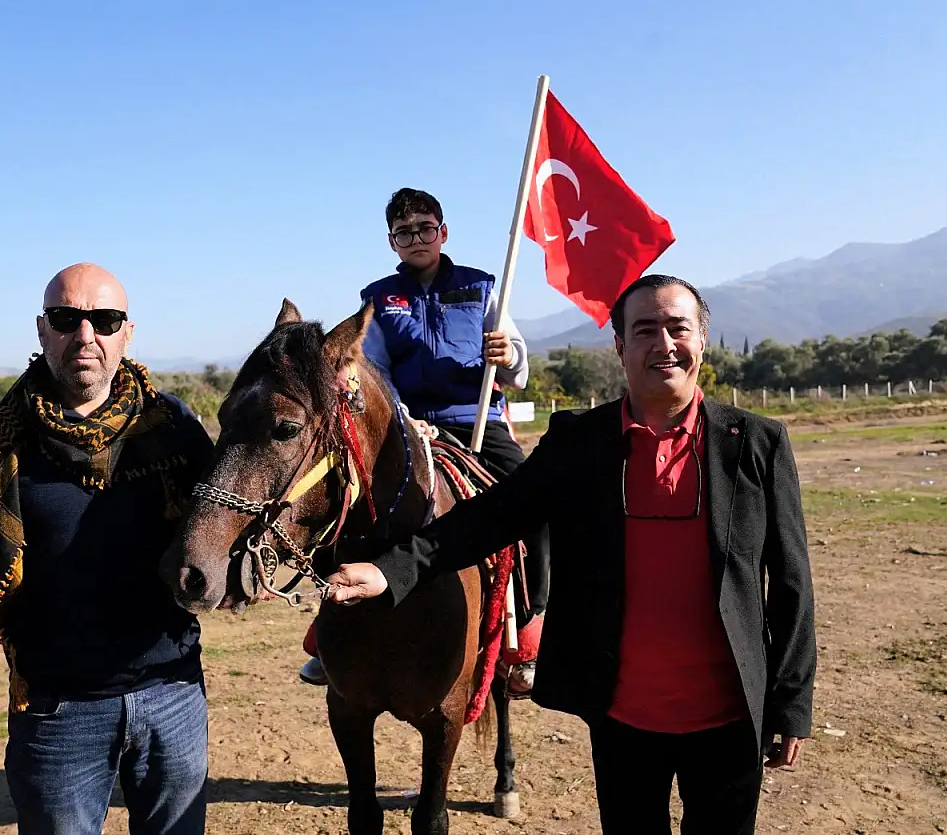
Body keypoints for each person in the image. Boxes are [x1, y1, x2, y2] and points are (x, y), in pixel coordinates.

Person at [322, 273, 818, 835]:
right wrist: (389, 572)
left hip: (731, 718)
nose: (663, 344)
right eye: (644, 330)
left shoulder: (758, 443)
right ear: (620, 345)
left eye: (678, 328)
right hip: (624, 718)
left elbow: (793, 587)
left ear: (702, 339)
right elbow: (491, 517)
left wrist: (790, 704)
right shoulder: (578, 442)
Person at [0, 263, 215, 834]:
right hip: (57, 715)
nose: (86, 336)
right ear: (41, 329)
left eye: (104, 320)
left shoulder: (173, 426)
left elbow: (243, 518)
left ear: (126, 332)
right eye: (66, 319)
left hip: (174, 697)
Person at [297, 187, 550, 695]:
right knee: (339, 502)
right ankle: (328, 636)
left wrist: (508, 357)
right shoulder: (377, 297)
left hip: (476, 420)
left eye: (425, 228)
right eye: (404, 232)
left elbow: (518, 371)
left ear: (443, 232)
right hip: (406, 427)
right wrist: (409, 421)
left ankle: (529, 634)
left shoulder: (482, 286)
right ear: (392, 242)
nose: (417, 238)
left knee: (536, 504)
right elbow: (374, 372)